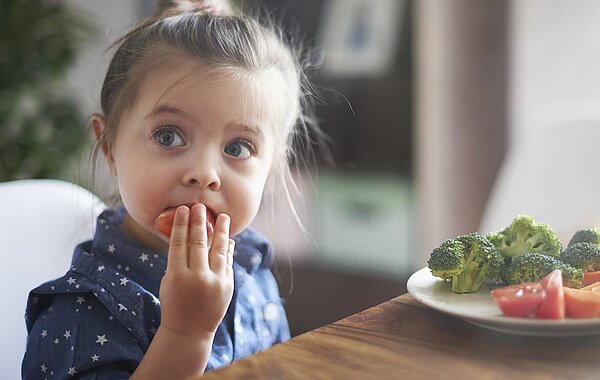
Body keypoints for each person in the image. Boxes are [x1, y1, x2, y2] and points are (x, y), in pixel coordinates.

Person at [21, 0, 323, 378]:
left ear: (273, 165)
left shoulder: (251, 265)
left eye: (237, 148)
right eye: (169, 135)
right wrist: (186, 334)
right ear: (110, 146)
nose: (204, 173)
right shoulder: (81, 313)